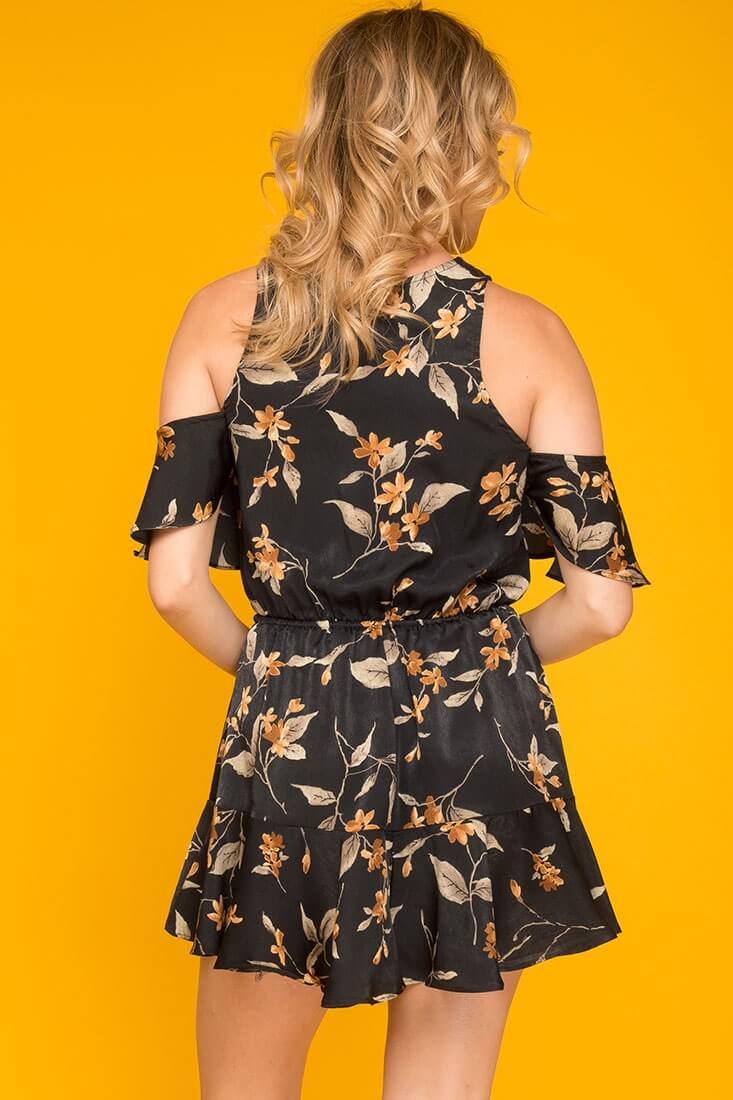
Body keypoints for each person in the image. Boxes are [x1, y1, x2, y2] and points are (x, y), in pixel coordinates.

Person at [129, 3, 651, 1097]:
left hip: (296, 729)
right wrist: (471, 665)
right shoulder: (531, 334)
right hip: (477, 733)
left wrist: (285, 672)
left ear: (326, 131)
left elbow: (175, 584)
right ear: (468, 145)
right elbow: (602, 602)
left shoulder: (224, 319)